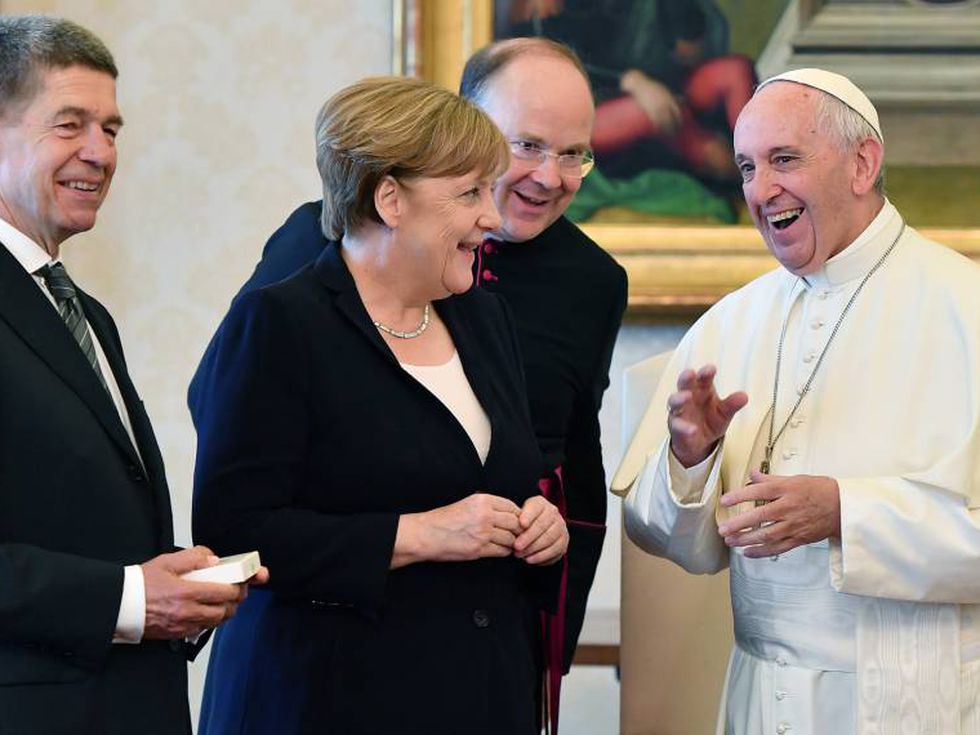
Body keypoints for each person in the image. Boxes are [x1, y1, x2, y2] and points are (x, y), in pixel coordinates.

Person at [189, 36, 627, 702]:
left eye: (573, 153)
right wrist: (415, 532)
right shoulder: (296, 289)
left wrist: (542, 531)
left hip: (479, 680)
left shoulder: (493, 315)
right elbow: (235, 514)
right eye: (525, 148)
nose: (496, 211)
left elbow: (550, 466)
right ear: (390, 200)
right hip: (329, 683)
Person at [614, 68, 980, 733]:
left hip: (916, 699)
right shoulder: (731, 322)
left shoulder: (967, 308)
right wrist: (690, 459)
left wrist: (846, 511)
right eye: (748, 166)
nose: (760, 189)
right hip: (763, 695)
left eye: (784, 159)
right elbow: (671, 541)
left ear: (862, 163)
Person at [0, 15, 262, 735]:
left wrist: (169, 580)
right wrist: (127, 597)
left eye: (111, 129)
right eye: (70, 124)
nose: (100, 152)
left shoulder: (84, 311)